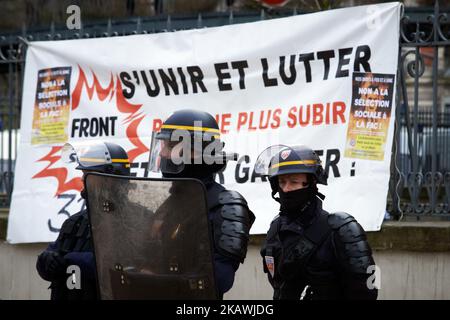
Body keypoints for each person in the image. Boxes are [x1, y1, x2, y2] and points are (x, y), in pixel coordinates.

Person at [149, 109, 255, 298]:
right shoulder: (167, 205)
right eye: (163, 145)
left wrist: (156, 279)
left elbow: (220, 279)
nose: (163, 153)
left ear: (198, 152)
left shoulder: (226, 205)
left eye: (171, 145)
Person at [258, 145, 378, 300]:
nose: (286, 189)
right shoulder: (275, 229)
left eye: (294, 182)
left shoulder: (342, 229)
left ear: (312, 183)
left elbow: (371, 286)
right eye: (282, 182)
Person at [36, 141, 131, 300]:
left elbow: (120, 268)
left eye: (87, 174)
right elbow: (54, 254)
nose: (82, 179)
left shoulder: (137, 220)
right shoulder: (76, 222)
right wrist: (47, 261)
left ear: (108, 179)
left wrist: (71, 259)